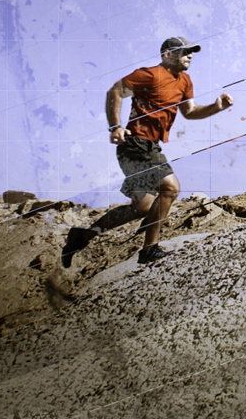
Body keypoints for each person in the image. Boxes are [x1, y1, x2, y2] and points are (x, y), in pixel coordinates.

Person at [62, 36, 233, 267]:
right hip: (135, 144)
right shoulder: (149, 74)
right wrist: (115, 127)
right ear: (168, 54)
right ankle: (149, 249)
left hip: (150, 146)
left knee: (142, 207)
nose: (190, 56)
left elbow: (190, 112)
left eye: (191, 52)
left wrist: (216, 107)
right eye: (184, 51)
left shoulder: (185, 81)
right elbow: (114, 92)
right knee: (170, 188)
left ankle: (81, 236)